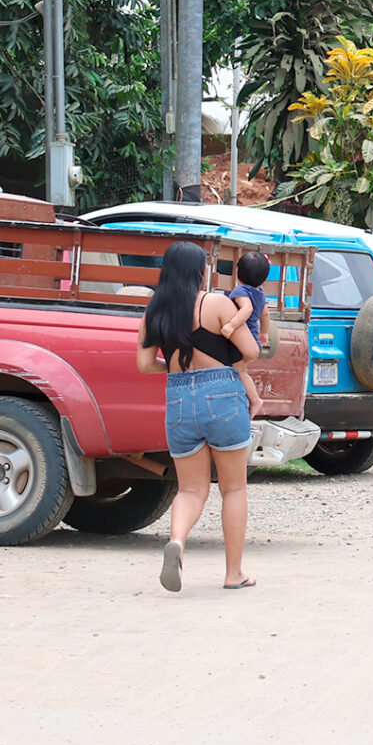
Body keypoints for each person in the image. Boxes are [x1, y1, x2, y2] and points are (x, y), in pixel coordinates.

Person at [136, 241, 260, 592]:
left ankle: (177, 540)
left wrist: (178, 367)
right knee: (234, 489)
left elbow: (145, 365)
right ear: (199, 270)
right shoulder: (215, 303)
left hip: (177, 397)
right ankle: (233, 573)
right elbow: (251, 351)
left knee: (190, 489)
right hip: (221, 393)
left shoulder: (154, 311)